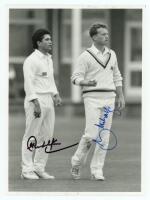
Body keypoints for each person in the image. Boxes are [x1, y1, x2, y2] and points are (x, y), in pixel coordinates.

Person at [71, 23, 125, 180]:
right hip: (92, 98)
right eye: (102, 34)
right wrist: (86, 83)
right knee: (90, 135)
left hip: (109, 98)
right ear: (94, 37)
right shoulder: (85, 56)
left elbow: (117, 76)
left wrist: (121, 96)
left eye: (107, 34)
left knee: (104, 135)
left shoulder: (112, 54)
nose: (106, 36)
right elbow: (75, 78)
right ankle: (76, 162)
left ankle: (97, 170)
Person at [21, 29, 62, 179]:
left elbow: (49, 80)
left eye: (50, 39)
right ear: (38, 43)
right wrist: (35, 103)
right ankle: (27, 170)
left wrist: (55, 94)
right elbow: (28, 83)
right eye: (46, 39)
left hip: (48, 101)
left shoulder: (48, 59)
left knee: (46, 136)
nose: (50, 41)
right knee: (31, 135)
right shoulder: (31, 60)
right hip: (35, 100)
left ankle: (39, 168)